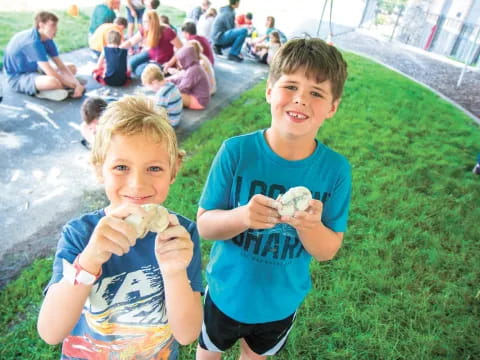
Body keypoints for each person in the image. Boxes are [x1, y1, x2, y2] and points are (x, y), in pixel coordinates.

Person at [195, 38, 351, 359]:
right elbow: (205, 226)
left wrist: (309, 226)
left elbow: (327, 249)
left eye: (316, 93)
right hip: (226, 293)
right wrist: (242, 217)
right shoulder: (236, 152)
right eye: (290, 86)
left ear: (332, 107)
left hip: (280, 304)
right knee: (208, 353)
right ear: (269, 91)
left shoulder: (335, 171)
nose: (300, 99)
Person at [37, 95, 204, 359]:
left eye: (154, 168)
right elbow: (50, 332)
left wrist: (174, 273)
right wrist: (89, 261)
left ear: (173, 170)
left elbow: (187, 334)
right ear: (98, 169)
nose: (137, 184)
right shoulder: (81, 234)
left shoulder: (180, 235)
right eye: (121, 167)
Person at [3, 11, 84, 101]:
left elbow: (60, 65)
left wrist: (77, 85)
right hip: (18, 77)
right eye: (53, 25)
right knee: (53, 82)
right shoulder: (32, 42)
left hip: (34, 69)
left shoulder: (47, 38)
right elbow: (50, 72)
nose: (56, 29)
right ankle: (43, 91)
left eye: (56, 25)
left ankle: (63, 86)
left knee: (72, 67)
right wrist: (74, 85)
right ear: (41, 25)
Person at [121, 10, 182, 77]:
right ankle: (150, 66)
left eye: (145, 22)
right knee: (131, 63)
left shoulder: (167, 32)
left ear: (153, 22)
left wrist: (170, 63)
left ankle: (161, 70)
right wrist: (117, 48)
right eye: (143, 21)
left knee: (139, 72)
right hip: (150, 54)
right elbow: (131, 42)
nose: (143, 23)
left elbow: (181, 48)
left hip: (163, 61)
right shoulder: (145, 30)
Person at [167, 46, 210, 110]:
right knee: (169, 90)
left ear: (186, 59)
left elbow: (182, 88)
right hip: (197, 96)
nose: (178, 62)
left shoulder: (193, 70)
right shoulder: (192, 67)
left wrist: (167, 87)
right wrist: (168, 80)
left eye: (180, 60)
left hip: (199, 101)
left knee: (170, 94)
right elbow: (180, 78)